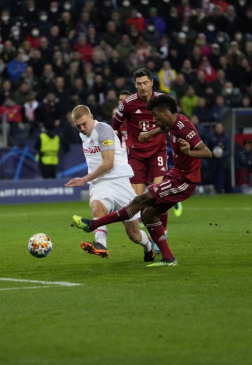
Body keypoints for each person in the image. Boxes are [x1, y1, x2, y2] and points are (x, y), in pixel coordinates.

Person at [72, 95, 212, 267]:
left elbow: (207, 152)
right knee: (148, 214)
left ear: (165, 113)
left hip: (184, 179)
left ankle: (94, 224)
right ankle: (168, 258)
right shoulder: (173, 123)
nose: (153, 119)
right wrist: (151, 132)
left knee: (140, 201)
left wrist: (189, 152)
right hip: (175, 175)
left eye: (154, 115)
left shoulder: (184, 127)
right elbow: (165, 128)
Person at [65, 105, 155, 261]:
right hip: (99, 183)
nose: (81, 128)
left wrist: (84, 179)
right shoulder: (83, 134)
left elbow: (108, 164)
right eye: (77, 126)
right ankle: (100, 244)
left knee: (133, 235)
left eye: (84, 123)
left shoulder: (103, 130)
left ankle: (148, 247)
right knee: (96, 208)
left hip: (119, 182)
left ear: (91, 117)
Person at [111, 68, 177, 239]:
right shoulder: (127, 104)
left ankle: (163, 233)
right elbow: (114, 126)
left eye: (145, 83)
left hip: (158, 153)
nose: (142, 87)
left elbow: (173, 122)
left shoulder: (163, 100)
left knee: (159, 194)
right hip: (137, 156)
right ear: (135, 85)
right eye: (139, 84)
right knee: (138, 200)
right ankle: (148, 238)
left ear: (151, 83)